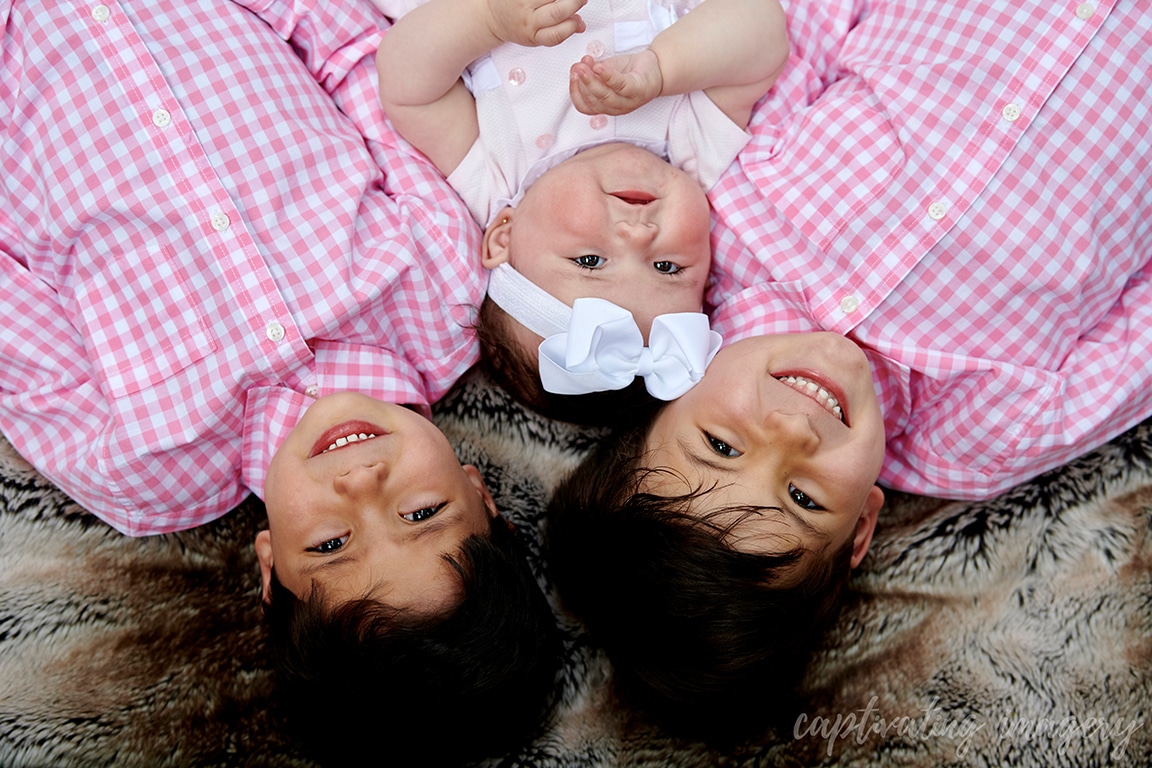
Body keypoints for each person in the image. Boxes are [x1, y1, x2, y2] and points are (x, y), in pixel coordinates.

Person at [548, 0, 1152, 741]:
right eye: (803, 496)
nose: (792, 430)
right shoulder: (985, 438)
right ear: (862, 526)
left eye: (722, 446)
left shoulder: (729, 228)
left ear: (670, 394)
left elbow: (808, 29)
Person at [0, 1, 557, 764]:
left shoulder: (142, 467)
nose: (362, 482)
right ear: (480, 494)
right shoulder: (445, 299)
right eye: (423, 511)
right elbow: (366, 70)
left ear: (269, 568)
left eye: (331, 544)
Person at [374, 0, 788, 420]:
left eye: (591, 261)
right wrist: (663, 69)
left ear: (504, 234)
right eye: (667, 267)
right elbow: (764, 30)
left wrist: (489, 20)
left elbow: (407, 87)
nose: (638, 235)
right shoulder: (691, 148)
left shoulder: (500, 176)